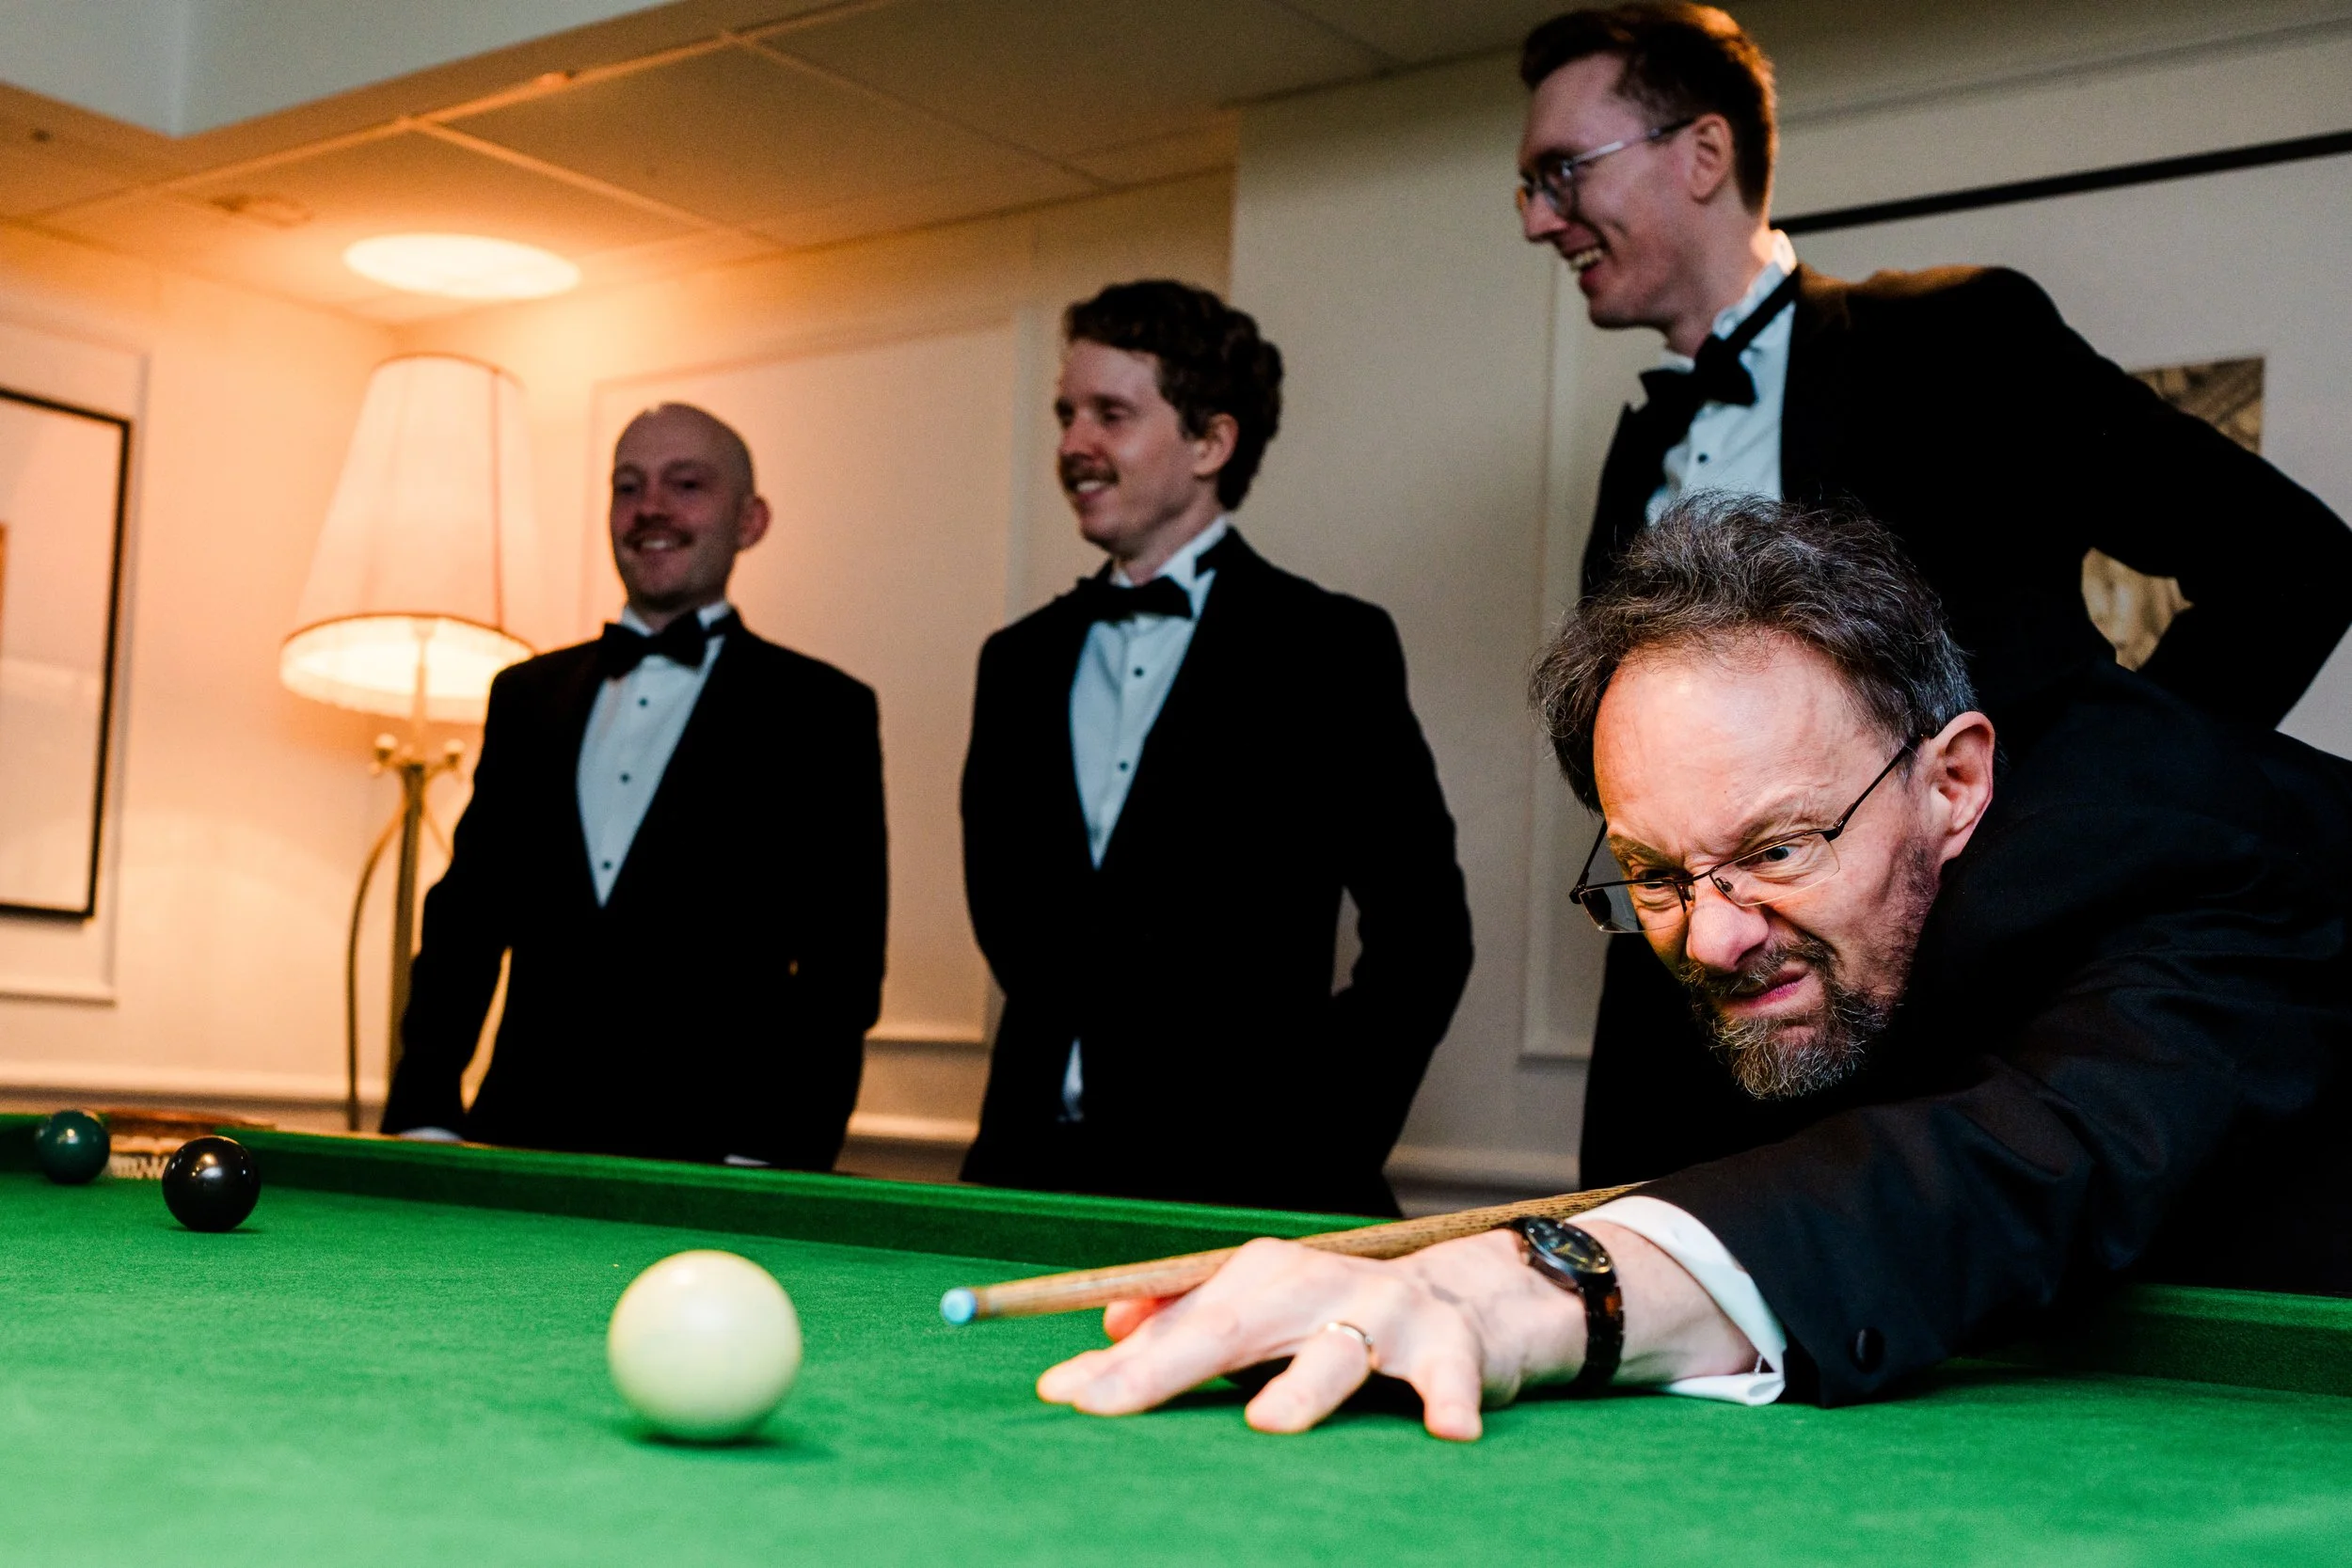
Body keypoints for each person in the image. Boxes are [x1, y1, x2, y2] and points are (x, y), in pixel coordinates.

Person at [1032, 500, 2352, 1435]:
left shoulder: (2193, 854)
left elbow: (2024, 1153)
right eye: (1654, 872)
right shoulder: (1763, 905)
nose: (1712, 937)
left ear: (1954, 781)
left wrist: (1531, 1289)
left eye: (1779, 846)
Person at [1514, 3, 2352, 1185]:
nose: (1540, 218)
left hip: (1959, 1039)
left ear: (1700, 155)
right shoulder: (1635, 447)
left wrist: (2069, 813)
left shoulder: (1959, 336)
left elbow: (2291, 562)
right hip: (1682, 1040)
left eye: (1560, 172)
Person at [958, 280, 1474, 1217]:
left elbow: (1425, 935)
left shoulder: (1328, 647)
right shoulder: (1015, 662)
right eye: (1067, 414)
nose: (1074, 443)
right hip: (1024, 1178)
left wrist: (1316, 1144)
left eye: (1111, 413)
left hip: (1250, 1195)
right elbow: (1013, 928)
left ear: (1210, 441)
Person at [380, 404, 887, 1168]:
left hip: (715, 1164)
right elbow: (466, 922)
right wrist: (424, 1115)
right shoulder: (525, 696)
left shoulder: (823, 709)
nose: (650, 506)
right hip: (514, 1146)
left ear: (751, 520)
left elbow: (840, 970)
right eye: (628, 486)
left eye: (686, 484)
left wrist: (775, 1160)